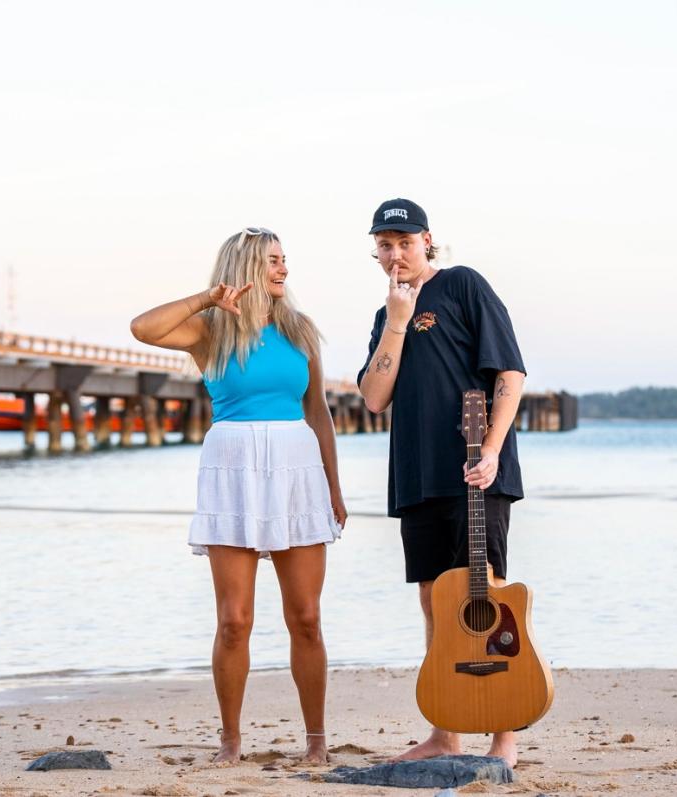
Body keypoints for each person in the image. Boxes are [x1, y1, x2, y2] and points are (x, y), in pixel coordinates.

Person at [130, 227, 347, 764]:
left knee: (306, 617)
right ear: (246, 266)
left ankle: (316, 740)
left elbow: (318, 412)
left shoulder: (299, 329)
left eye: (284, 259)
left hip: (297, 471)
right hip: (232, 471)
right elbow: (142, 328)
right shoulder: (209, 330)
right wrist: (208, 297)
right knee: (234, 621)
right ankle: (230, 741)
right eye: (273, 260)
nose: (284, 269)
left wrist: (334, 487)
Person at [356, 199, 527, 767]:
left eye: (405, 243)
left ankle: (504, 737)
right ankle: (446, 732)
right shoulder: (386, 315)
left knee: (489, 597)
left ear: (427, 241)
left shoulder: (462, 285)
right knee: (434, 602)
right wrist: (398, 320)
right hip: (417, 473)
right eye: (385, 245)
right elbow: (374, 397)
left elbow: (510, 373)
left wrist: (493, 451)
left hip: (476, 468)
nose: (395, 255)